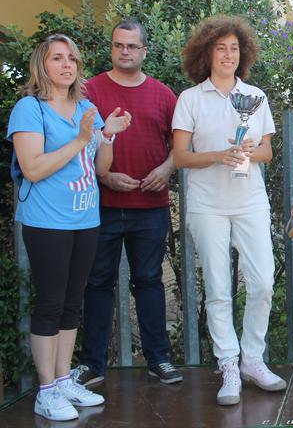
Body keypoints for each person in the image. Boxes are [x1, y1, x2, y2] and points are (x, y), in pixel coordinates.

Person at [7, 34, 131, 421]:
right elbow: (33, 168)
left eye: (72, 59)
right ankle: (46, 390)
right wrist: (81, 139)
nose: (66, 65)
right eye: (57, 58)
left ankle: (62, 381)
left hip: (85, 218)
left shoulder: (86, 107)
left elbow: (101, 167)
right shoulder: (29, 109)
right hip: (47, 221)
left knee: (72, 302)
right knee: (50, 302)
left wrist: (106, 135)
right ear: (41, 65)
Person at [172, 15, 286, 406]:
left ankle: (253, 360)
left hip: (250, 201)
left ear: (243, 53)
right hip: (207, 205)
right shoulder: (190, 99)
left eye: (234, 48)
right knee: (219, 289)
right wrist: (219, 155)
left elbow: (268, 151)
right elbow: (181, 157)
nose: (228, 54)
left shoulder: (255, 96)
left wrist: (248, 151)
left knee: (264, 283)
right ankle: (229, 366)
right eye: (220, 48)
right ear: (207, 53)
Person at [72, 19, 181, 388]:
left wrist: (166, 169)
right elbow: (77, 145)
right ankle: (92, 364)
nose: (125, 51)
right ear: (112, 48)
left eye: (132, 46)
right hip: (100, 205)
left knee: (149, 281)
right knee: (97, 283)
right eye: (119, 45)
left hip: (150, 206)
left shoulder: (163, 95)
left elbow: (180, 145)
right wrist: (105, 177)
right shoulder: (90, 91)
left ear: (144, 51)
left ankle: (158, 359)